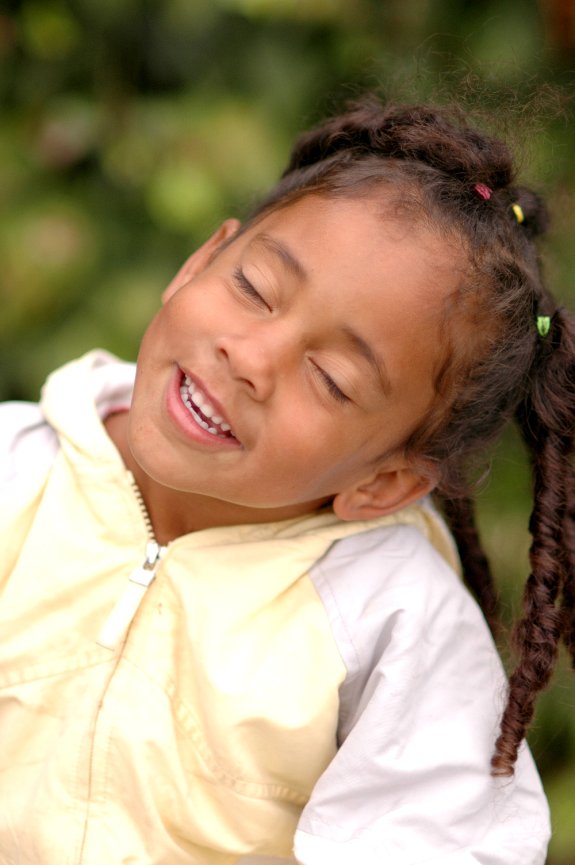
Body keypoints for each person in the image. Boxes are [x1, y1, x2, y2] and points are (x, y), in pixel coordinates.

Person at [0, 95, 572, 865]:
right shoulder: (16, 470)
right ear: (200, 260)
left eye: (331, 379)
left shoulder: (395, 623)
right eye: (255, 288)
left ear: (385, 480)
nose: (251, 357)